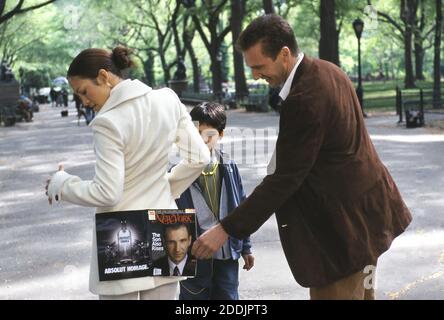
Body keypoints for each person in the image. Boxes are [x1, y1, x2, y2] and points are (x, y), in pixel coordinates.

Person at [191, 14, 412, 300]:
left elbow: (285, 178)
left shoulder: (304, 99)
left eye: (259, 67)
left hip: (341, 235)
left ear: (284, 54)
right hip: (366, 221)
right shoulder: (329, 70)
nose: (256, 75)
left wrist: (226, 229)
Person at [45, 46, 211, 300]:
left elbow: (108, 193)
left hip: (119, 234)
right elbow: (200, 157)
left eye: (84, 92)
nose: (84, 101)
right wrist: (168, 187)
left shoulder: (107, 122)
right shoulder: (167, 99)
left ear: (104, 76)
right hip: (165, 224)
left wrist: (63, 185)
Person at [175, 102, 254, 300]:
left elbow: (241, 206)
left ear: (221, 135)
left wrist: (246, 247)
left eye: (208, 135)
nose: (201, 140)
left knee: (228, 297)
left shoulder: (229, 166)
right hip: (193, 256)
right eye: (196, 134)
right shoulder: (177, 171)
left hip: (226, 252)